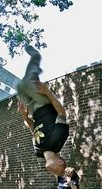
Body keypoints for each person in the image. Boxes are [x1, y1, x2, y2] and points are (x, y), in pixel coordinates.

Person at [17, 45, 69, 177]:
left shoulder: (38, 152)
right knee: (25, 85)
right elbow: (62, 113)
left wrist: (25, 117)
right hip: (44, 103)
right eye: (57, 171)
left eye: (54, 174)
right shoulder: (58, 141)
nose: (53, 173)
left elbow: (34, 130)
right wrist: (47, 92)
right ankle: (36, 57)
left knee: (20, 88)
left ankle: (35, 68)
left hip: (33, 111)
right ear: (60, 161)